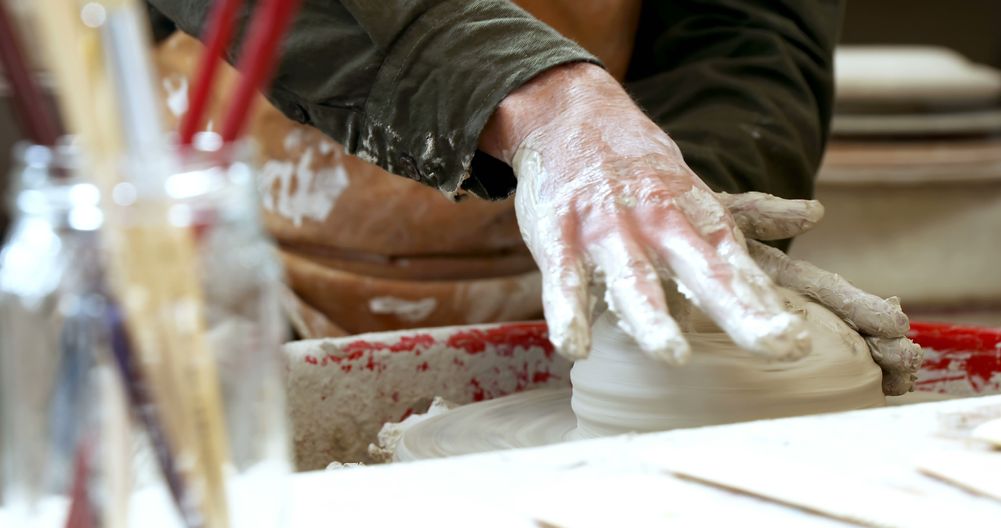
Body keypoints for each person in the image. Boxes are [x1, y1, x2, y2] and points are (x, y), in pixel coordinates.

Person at [146, 0, 922, 394]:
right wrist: (537, 97)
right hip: (230, 256)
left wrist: (674, 211)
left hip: (556, 298)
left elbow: (743, 39)